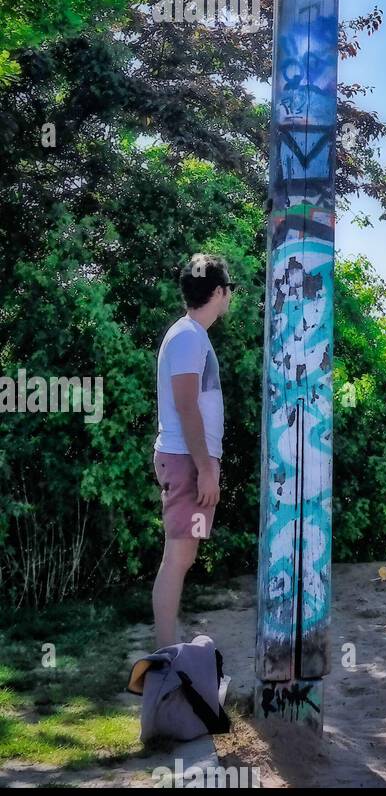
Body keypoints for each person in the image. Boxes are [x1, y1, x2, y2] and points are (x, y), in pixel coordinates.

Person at [153, 254, 233, 647]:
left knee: (184, 556)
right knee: (177, 559)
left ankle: (169, 650)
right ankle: (165, 656)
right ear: (218, 292)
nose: (228, 297)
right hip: (187, 461)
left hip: (191, 460)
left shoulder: (192, 335)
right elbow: (185, 404)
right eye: (228, 290)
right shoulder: (187, 337)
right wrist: (206, 469)